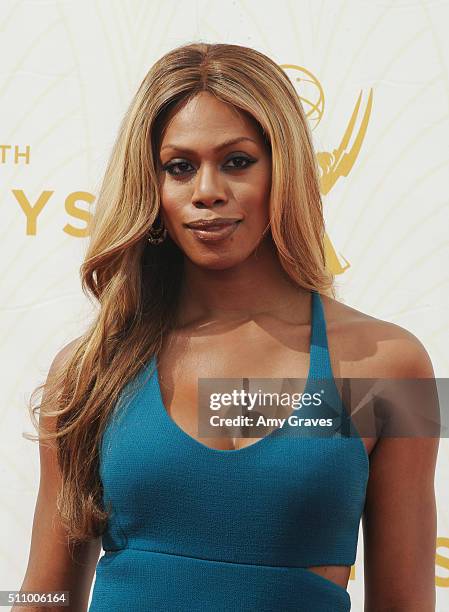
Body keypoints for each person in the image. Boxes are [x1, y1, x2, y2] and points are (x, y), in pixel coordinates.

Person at [17, 42, 439, 612]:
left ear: (282, 170)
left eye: (237, 161)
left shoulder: (389, 365)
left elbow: (403, 603)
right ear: (153, 187)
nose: (207, 191)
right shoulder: (90, 368)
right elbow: (45, 596)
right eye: (180, 167)